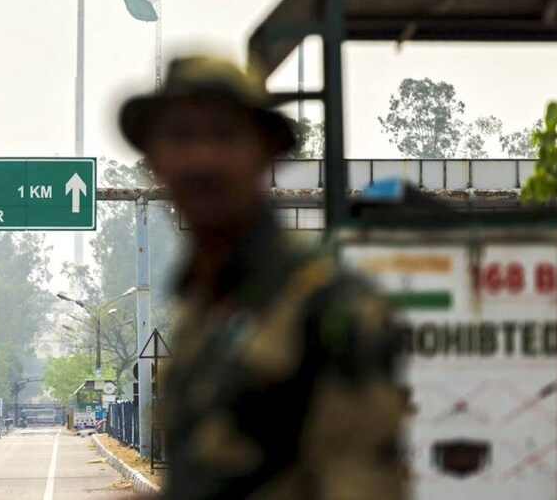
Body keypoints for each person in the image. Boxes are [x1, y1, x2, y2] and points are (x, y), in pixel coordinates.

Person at [118, 56, 405, 499]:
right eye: (181, 136)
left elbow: (361, 483)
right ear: (154, 162)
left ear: (266, 154)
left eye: (225, 135)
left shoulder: (329, 307)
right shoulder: (200, 311)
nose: (202, 159)